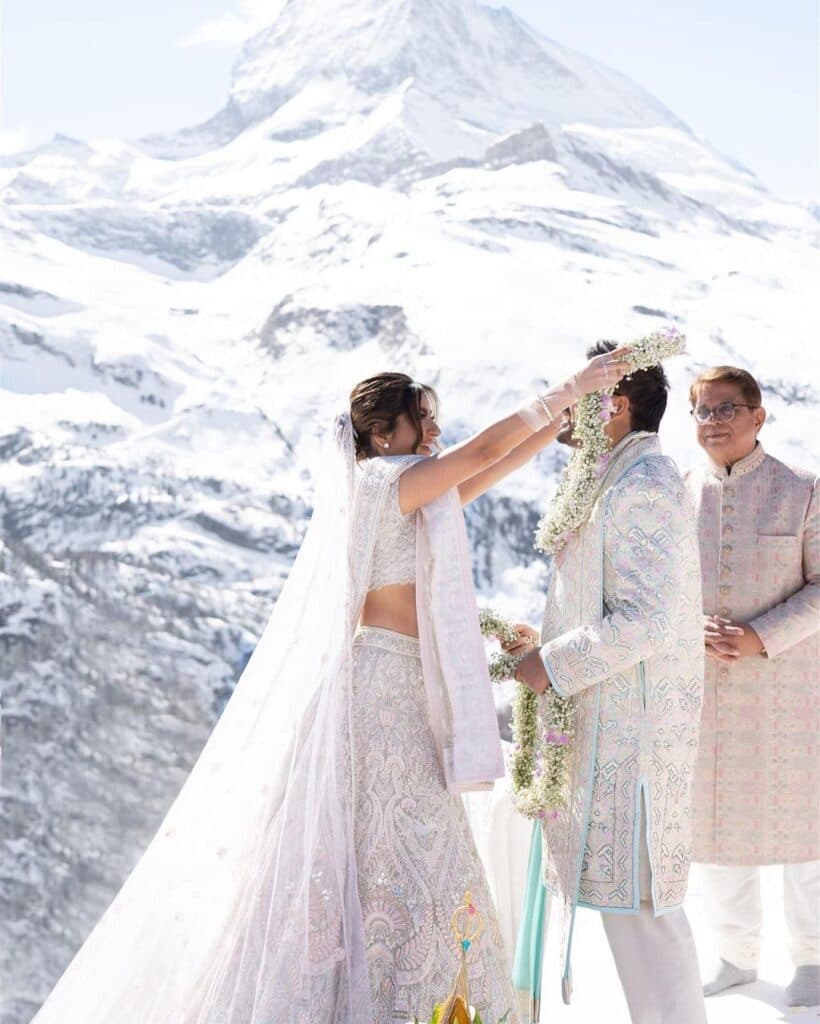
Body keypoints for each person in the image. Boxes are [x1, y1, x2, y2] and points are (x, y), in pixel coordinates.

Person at [30, 353, 627, 1024]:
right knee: (397, 841)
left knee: (402, 842)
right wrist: (568, 388)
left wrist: (564, 422)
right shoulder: (382, 482)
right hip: (382, 687)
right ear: (382, 434)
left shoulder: (410, 490)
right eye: (421, 418)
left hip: (400, 681)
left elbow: (489, 468)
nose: (434, 429)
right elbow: (482, 452)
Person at [511, 340, 707, 1024]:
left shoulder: (644, 485)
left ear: (615, 406)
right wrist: (543, 643)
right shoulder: (615, 478)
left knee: (646, 914)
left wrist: (553, 664)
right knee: (636, 916)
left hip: (634, 744)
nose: (565, 408)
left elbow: (647, 621)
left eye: (579, 395)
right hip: (608, 729)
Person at [684, 365, 820, 1008]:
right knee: (716, 826)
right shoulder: (679, 495)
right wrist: (691, 627)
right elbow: (659, 592)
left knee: (805, 829)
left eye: (727, 409)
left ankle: (813, 957)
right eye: (703, 411)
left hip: (790, 691)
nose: (714, 422)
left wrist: (758, 636)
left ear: (758, 416)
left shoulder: (804, 489)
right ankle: (736, 956)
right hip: (705, 692)